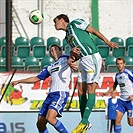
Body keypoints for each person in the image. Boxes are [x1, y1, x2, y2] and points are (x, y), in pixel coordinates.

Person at [53, 14, 118, 133]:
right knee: (80, 91)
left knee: (90, 89)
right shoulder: (67, 36)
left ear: (62, 20)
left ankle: (83, 122)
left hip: (91, 57)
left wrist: (107, 42)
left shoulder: (75, 23)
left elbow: (93, 30)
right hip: (82, 60)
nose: (54, 24)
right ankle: (85, 122)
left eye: (55, 22)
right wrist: (71, 56)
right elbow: (76, 52)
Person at [10, 44, 73, 133]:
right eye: (51, 50)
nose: (53, 51)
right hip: (50, 95)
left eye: (55, 49)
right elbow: (36, 78)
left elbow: (75, 56)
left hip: (60, 93)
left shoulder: (65, 58)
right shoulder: (50, 66)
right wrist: (19, 81)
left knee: (50, 118)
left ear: (60, 51)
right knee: (40, 124)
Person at [103, 57, 133, 133]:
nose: (119, 65)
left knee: (131, 123)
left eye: (121, 64)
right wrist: (106, 93)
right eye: (118, 64)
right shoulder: (117, 75)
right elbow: (114, 86)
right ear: (116, 65)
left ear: (124, 64)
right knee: (117, 120)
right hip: (122, 101)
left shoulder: (128, 73)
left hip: (130, 101)